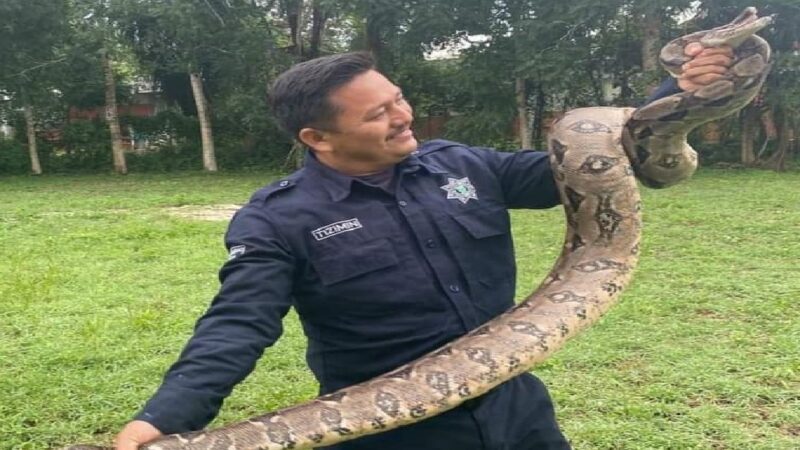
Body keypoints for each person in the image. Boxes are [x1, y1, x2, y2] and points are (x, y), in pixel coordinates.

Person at [114, 43, 734, 450]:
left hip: (515, 409)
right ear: (318, 137)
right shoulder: (277, 219)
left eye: (398, 99)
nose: (404, 116)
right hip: (393, 430)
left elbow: (592, 161)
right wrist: (166, 417)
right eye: (377, 114)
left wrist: (676, 90)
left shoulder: (461, 165)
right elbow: (236, 325)